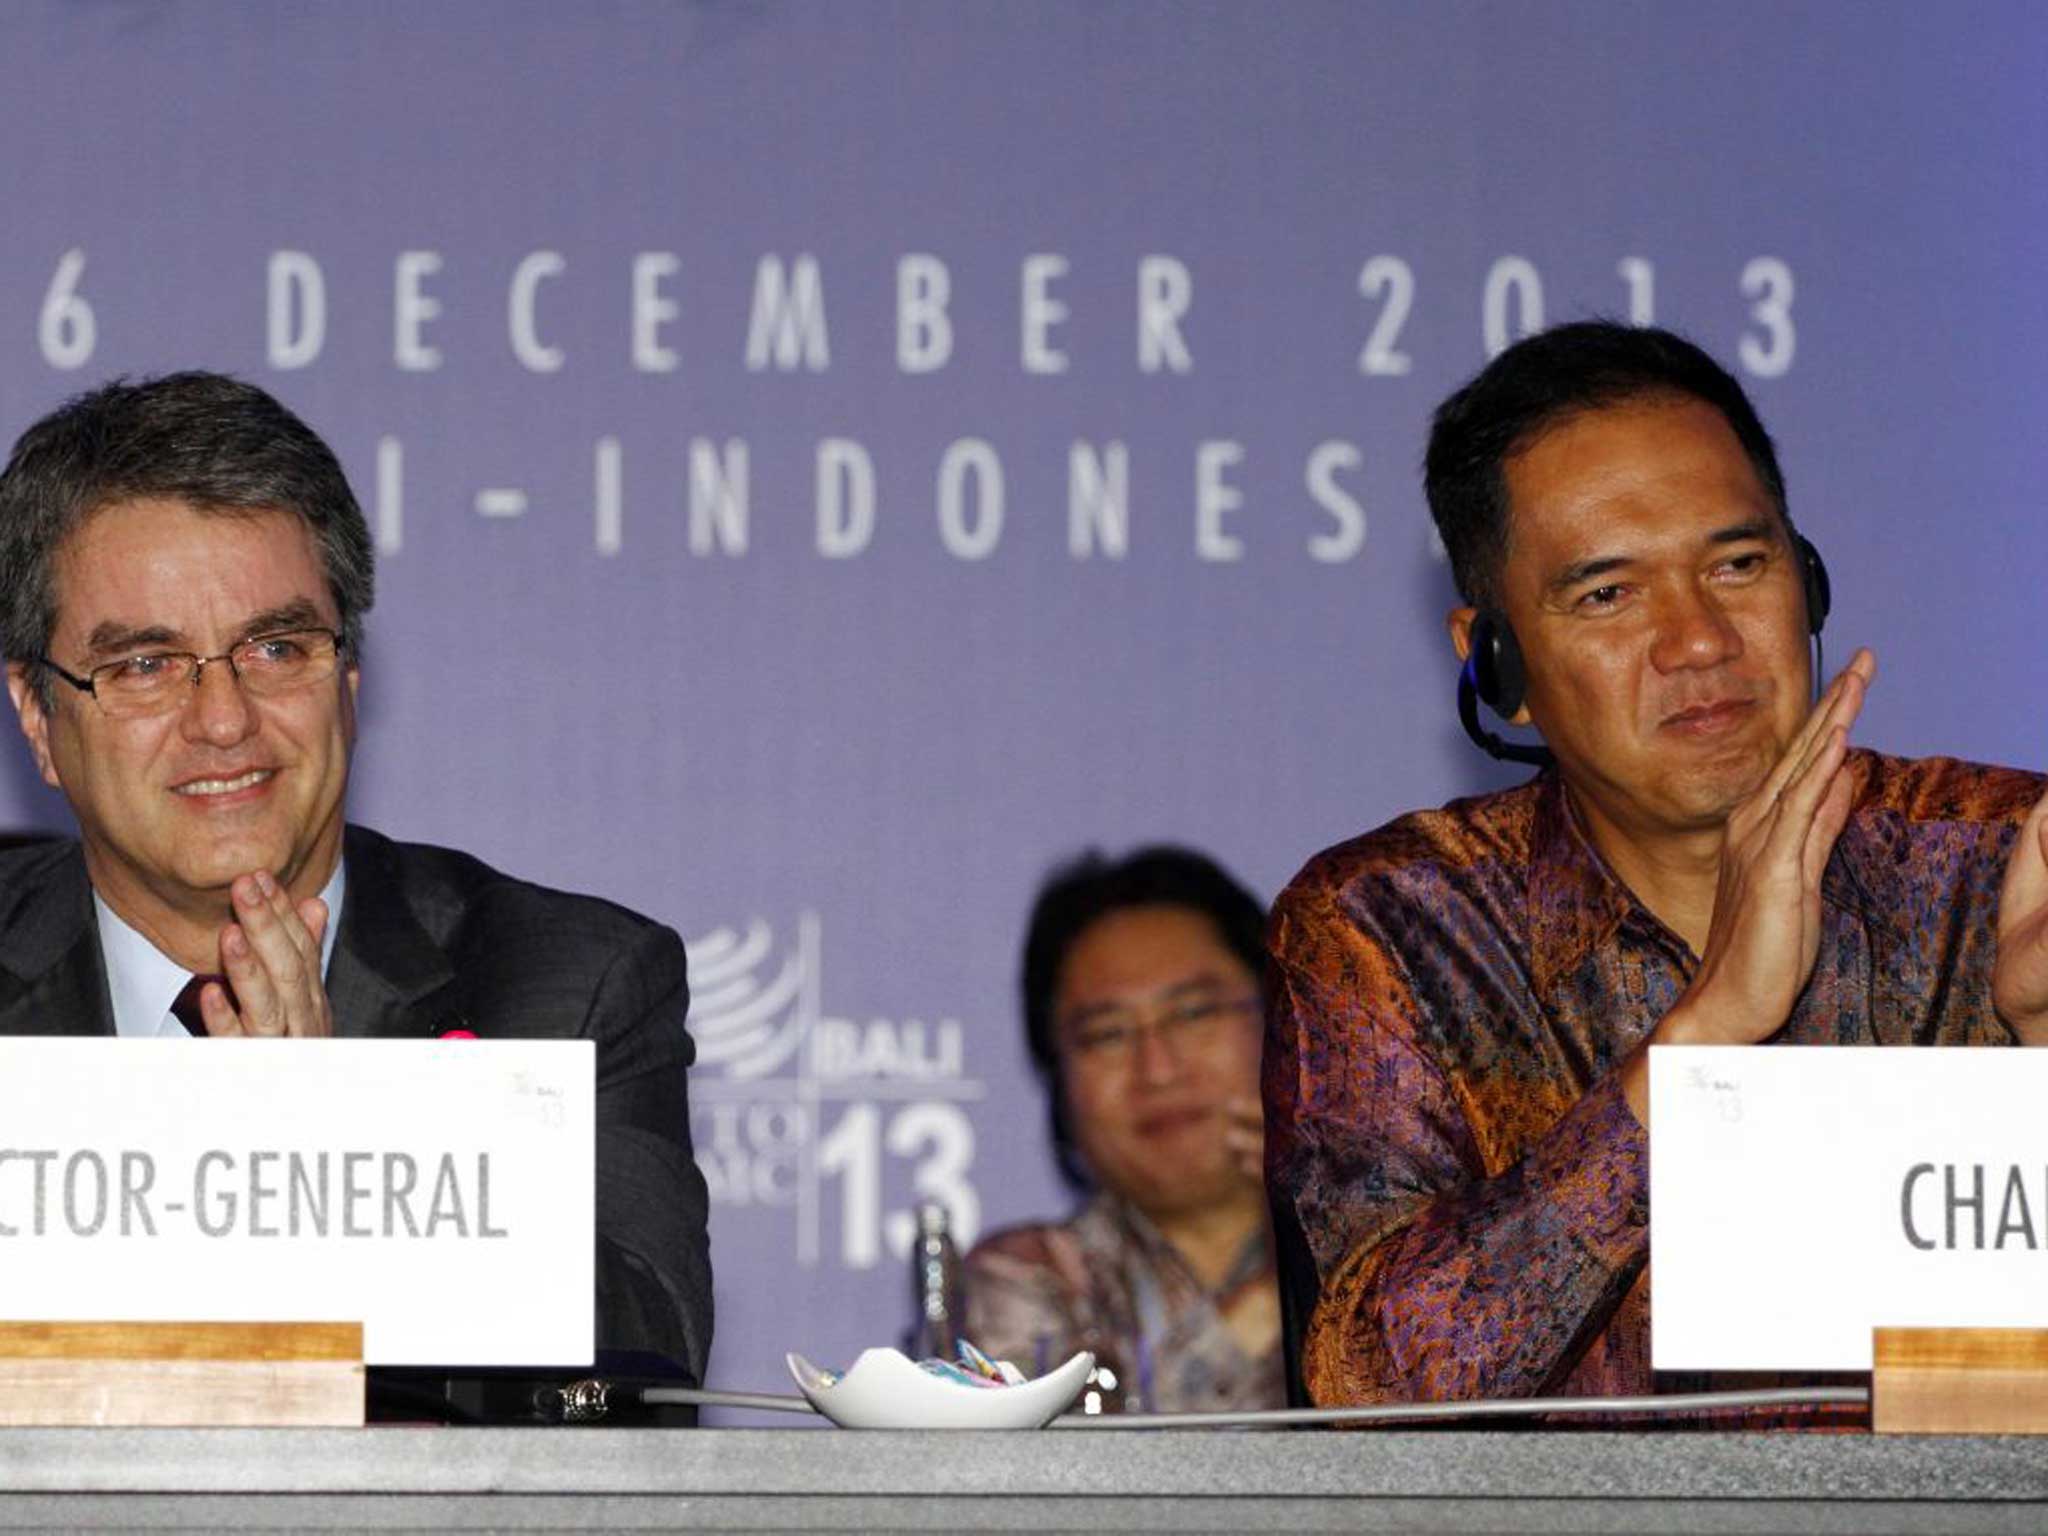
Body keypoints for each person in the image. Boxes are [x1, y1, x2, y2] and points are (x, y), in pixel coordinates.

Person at [1263, 321, 2048, 1414]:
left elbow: (2005, 1403)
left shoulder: (2002, 865)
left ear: (1805, 584)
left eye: (1736, 565)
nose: (1696, 640)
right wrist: (1699, 1046)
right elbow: (1374, 1394)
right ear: (1498, 663)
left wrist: (2038, 1051)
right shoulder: (1393, 928)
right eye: (1606, 595)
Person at [0, 372, 712, 1387]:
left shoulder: (566, 986)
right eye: (148, 665)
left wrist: (336, 1153)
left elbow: (636, 1386)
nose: (223, 720)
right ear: (37, 715)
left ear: (348, 678)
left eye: (277, 646)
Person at [964, 847, 1284, 1412]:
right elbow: (1077, 1480)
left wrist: (1329, 1232)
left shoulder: (1397, 1260)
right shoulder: (1027, 1279)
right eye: (1108, 1034)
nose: (1157, 1069)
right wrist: (1275, 1296)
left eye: (1193, 1013)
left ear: (1284, 1019)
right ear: (1058, 1078)